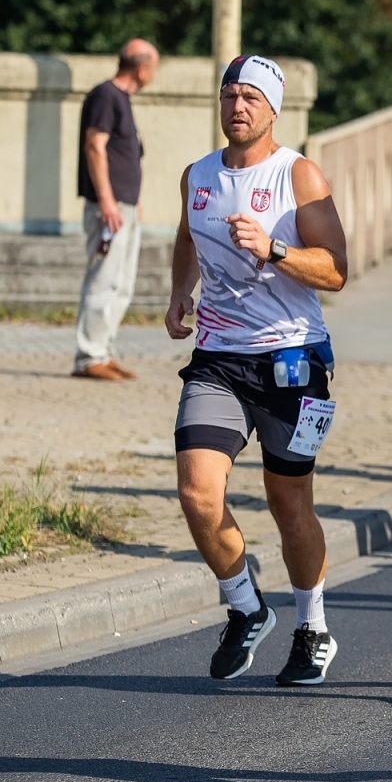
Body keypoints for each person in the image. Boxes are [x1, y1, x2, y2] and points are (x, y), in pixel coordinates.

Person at [167, 55, 349, 687]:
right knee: (197, 492)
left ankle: (313, 627)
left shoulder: (297, 174)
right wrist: (179, 292)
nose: (237, 106)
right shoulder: (197, 175)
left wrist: (274, 248)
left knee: (288, 504)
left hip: (292, 361)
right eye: (229, 95)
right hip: (218, 357)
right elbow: (187, 237)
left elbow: (336, 270)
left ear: (273, 109)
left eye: (250, 97)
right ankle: (246, 606)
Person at [74, 38, 158, 382]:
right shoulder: (106, 96)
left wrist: (132, 201)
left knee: (121, 285)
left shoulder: (122, 99)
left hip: (125, 208)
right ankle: (89, 356)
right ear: (142, 68)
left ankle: (104, 351)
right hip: (109, 209)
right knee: (103, 281)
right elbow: (95, 146)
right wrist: (108, 200)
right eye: (154, 67)